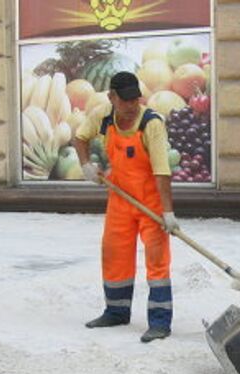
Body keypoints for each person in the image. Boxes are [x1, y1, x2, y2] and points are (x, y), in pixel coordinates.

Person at [74, 71, 180, 343]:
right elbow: (80, 137)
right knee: (114, 255)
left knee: (157, 264)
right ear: (112, 98)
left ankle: (159, 322)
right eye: (126, 101)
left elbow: (161, 170)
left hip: (150, 204)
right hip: (120, 200)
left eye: (136, 100)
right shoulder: (103, 116)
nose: (132, 106)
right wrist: (86, 165)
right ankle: (116, 312)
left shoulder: (151, 124)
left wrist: (167, 212)